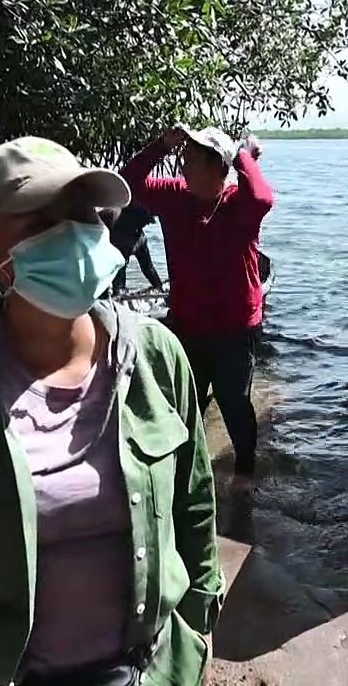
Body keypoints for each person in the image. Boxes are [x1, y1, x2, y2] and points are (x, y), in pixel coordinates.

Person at [0, 137, 223, 686]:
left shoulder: (156, 357)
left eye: (81, 214)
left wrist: (196, 630)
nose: (72, 235)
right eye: (39, 225)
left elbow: (194, 506)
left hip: (146, 671)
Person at [121, 126, 271, 493]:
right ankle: (186, 480)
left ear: (216, 166)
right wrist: (161, 145)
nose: (183, 164)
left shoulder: (240, 204)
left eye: (191, 158)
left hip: (235, 328)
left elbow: (263, 198)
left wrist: (242, 157)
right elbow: (127, 184)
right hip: (188, 325)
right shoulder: (175, 196)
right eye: (183, 157)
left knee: (235, 404)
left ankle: (245, 473)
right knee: (186, 405)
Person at [100, 202, 165, 293]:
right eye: (146, 222)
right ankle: (117, 290)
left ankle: (119, 290)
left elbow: (148, 267)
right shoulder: (114, 222)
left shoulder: (140, 238)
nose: (147, 225)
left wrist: (159, 286)